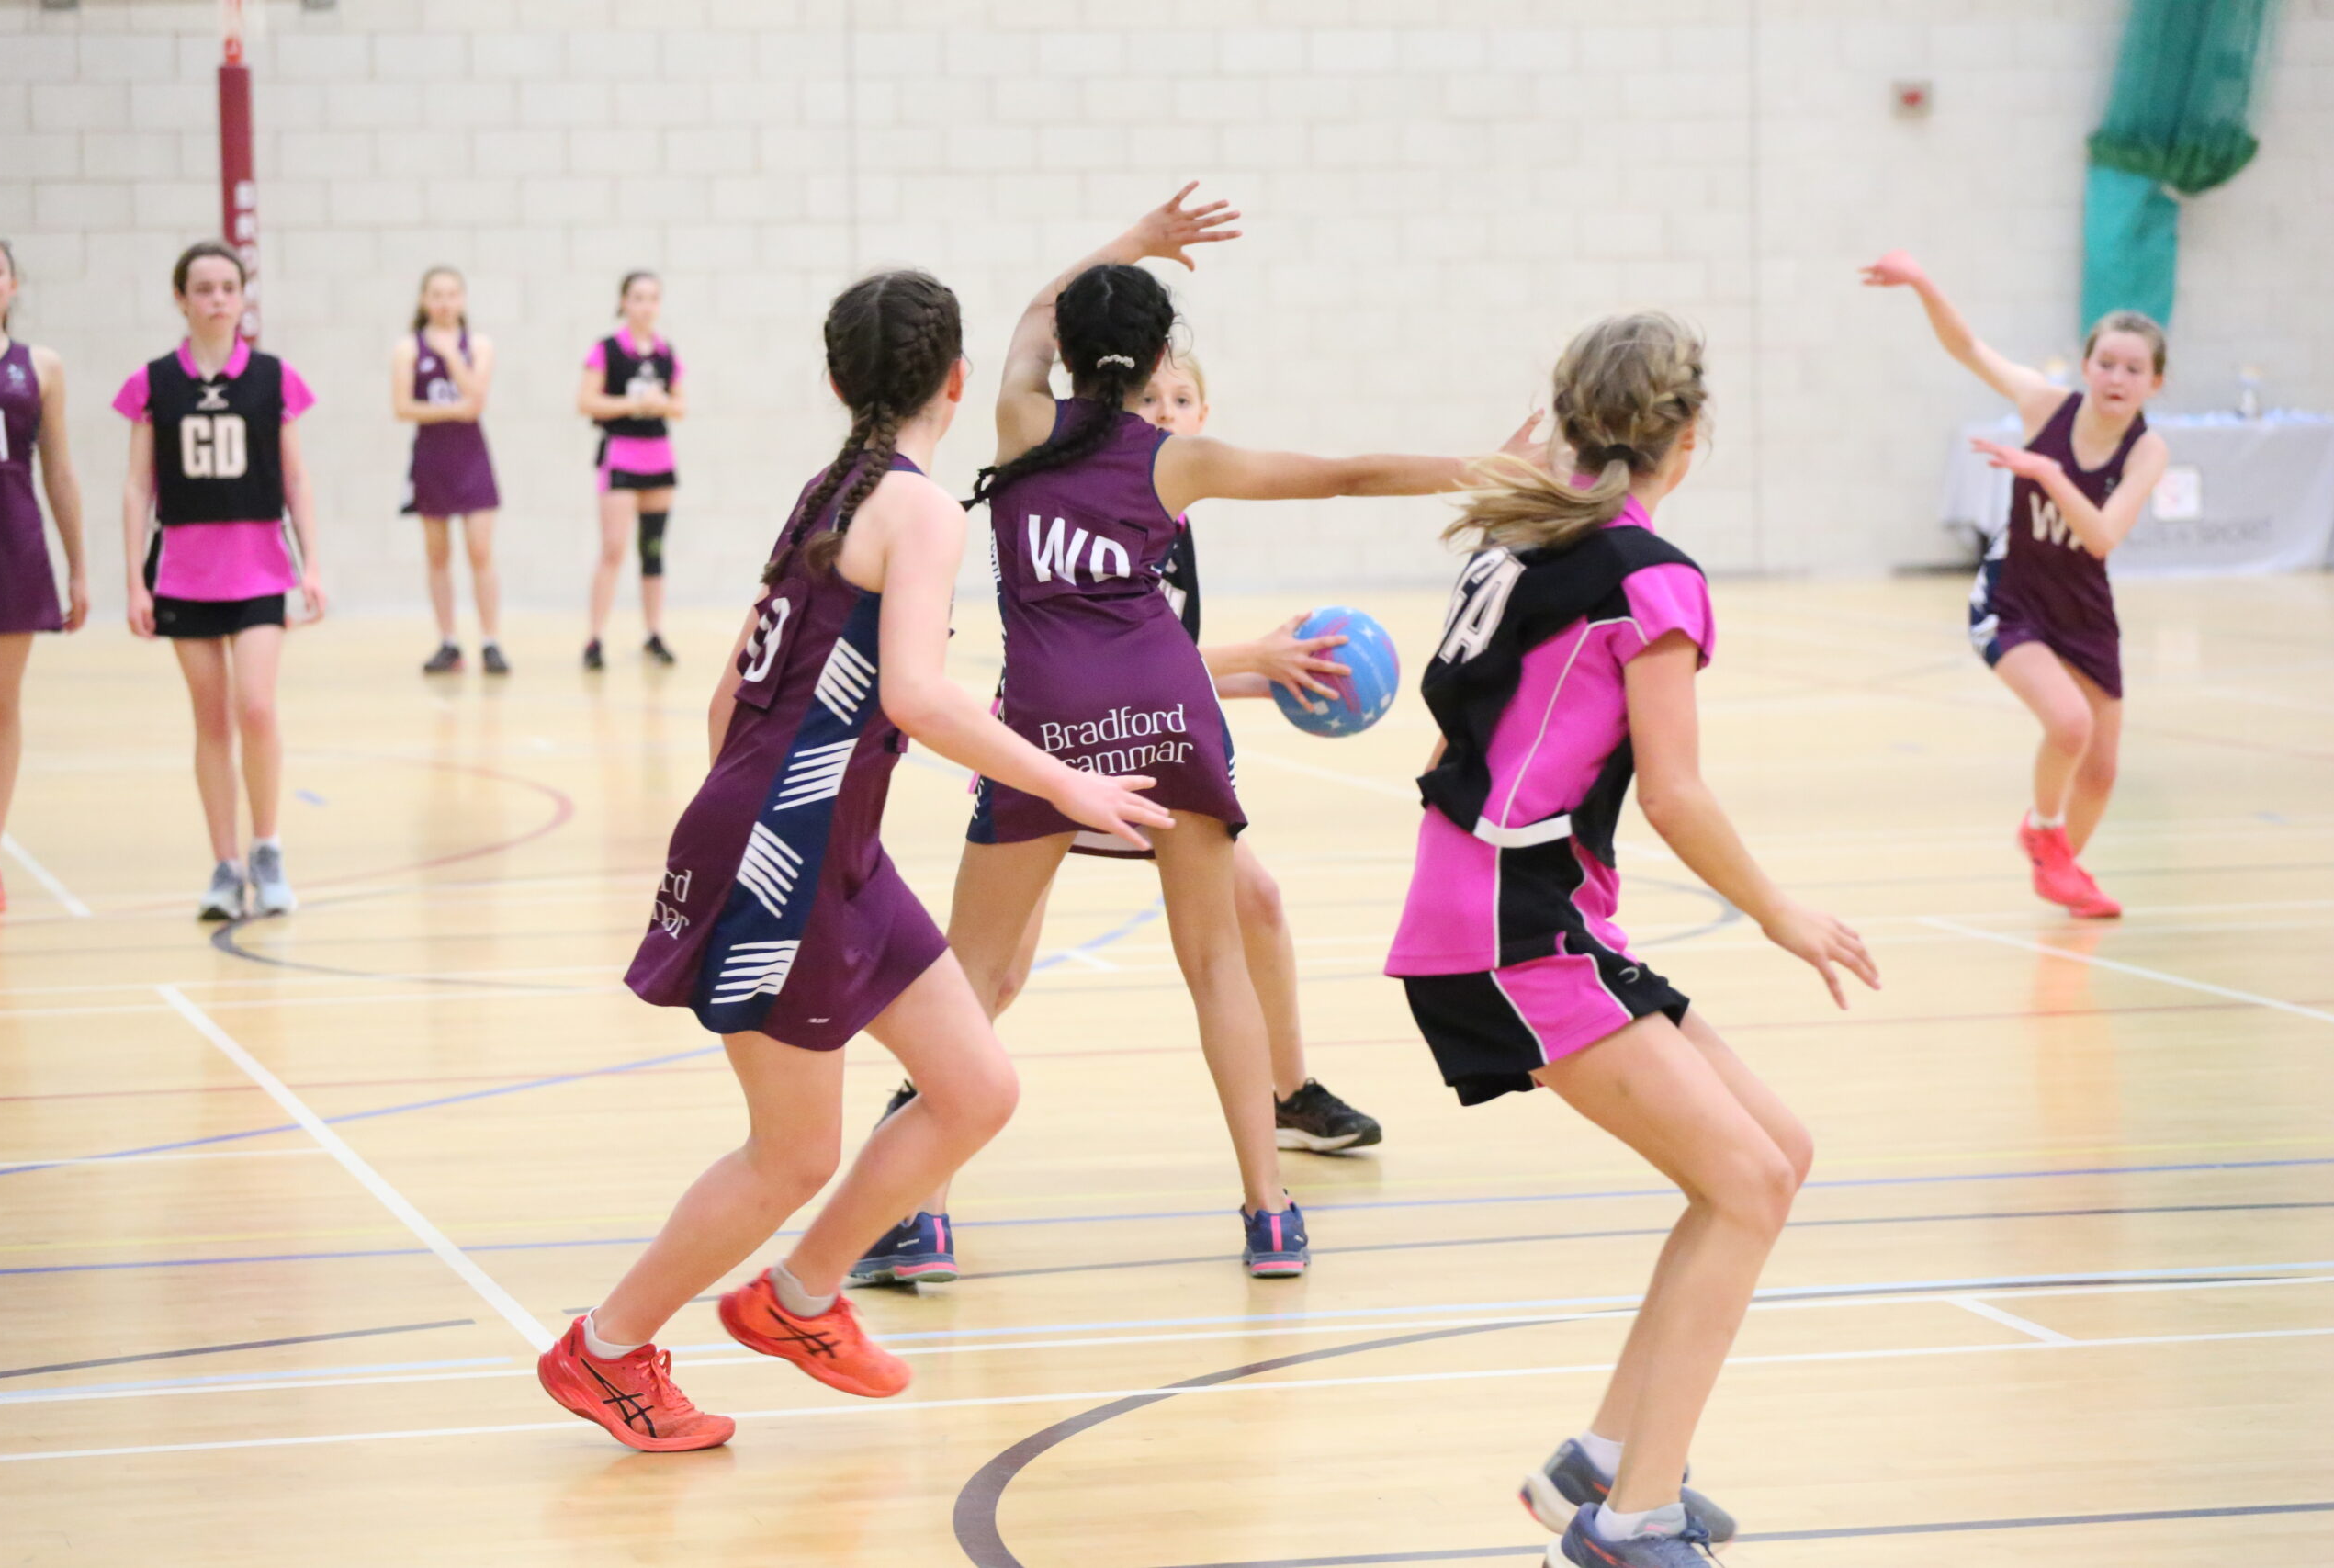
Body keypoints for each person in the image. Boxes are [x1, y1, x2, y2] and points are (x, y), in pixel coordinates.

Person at [536, 268, 1169, 1453]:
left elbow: (729, 694)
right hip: (785, 852)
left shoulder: (834, 490)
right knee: (792, 1155)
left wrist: (764, 812)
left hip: (819, 843)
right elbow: (918, 695)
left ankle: (799, 1298)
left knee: (975, 1089)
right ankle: (604, 1350)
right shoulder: (919, 511)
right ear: (958, 380)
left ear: (838, 380)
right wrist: (1064, 780)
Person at [925, 185, 1519, 1280]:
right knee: (1214, 966)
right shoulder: (1173, 459)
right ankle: (1268, 1212)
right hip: (1167, 714)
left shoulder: (1018, 422)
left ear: (1068, 356)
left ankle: (922, 1215)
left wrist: (1136, 242)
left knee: (972, 973)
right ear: (1156, 361)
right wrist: (1488, 467)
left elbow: (1031, 314)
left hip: (1049, 724)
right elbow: (1345, 477)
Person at [1384, 313, 1877, 1566]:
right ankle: (1632, 1520)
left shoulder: (1518, 543)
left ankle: (1599, 1464)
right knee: (1745, 1182)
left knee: (1776, 1153)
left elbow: (1448, 741)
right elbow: (1675, 793)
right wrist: (1780, 912)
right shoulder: (1647, 575)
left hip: (1522, 908)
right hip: (1507, 924)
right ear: (1688, 437)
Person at [848, 350, 1383, 1289]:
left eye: (1183, 399)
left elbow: (1155, 660)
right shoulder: (1110, 486)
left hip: (1128, 742)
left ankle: (1290, 1092)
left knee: (1256, 906)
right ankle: (923, 1104)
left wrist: (1264, 678)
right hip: (1068, 748)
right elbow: (1128, 660)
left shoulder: (1175, 508)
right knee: (1004, 967)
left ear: (1204, 410)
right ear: (1120, 405)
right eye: (1151, 397)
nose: (1166, 412)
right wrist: (1252, 659)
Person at [1862, 251, 2168, 917]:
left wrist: (2047, 473)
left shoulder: (2147, 450)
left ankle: (2059, 865)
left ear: (2156, 382)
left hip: (2085, 608)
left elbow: (2101, 536)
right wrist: (1923, 282)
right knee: (2068, 723)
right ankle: (2044, 831)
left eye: (2133, 369)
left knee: (2102, 770)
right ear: (2085, 366)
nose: (2117, 377)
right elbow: (1968, 348)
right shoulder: (2044, 404)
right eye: (2106, 363)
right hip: (2014, 599)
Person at [117, 240, 324, 920]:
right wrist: (135, 582)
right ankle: (225, 865)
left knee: (256, 707)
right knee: (210, 719)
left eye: (228, 288)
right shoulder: (153, 382)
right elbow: (136, 486)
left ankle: (268, 848)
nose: (217, 299)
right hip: (184, 573)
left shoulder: (273, 377)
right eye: (203, 289)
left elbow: (296, 477)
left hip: (259, 568)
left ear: (242, 297)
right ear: (181, 299)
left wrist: (312, 565)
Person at [0, 234, 87, 915]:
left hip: (11, 547)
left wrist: (79, 568)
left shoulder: (40, 366)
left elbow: (59, 473)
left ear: (13, 283)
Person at [393, 265, 506, 675]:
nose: (444, 302)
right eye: (436, 295)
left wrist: (451, 357)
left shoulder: (478, 345)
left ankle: (490, 641)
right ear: (424, 300)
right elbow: (403, 407)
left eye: (452, 294)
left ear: (463, 299)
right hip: (431, 459)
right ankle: (449, 642)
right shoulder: (408, 348)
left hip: (471, 458)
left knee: (480, 550)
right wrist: (454, 409)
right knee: (438, 554)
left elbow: (477, 398)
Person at [578, 271, 683, 670]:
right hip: (621, 457)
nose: (645, 306)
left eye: (652, 298)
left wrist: (661, 404)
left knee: (653, 551)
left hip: (659, 459)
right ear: (624, 302)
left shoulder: (665, 352)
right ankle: (595, 637)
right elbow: (587, 401)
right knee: (614, 548)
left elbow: (679, 405)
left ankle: (654, 634)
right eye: (637, 297)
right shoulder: (606, 349)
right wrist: (632, 403)